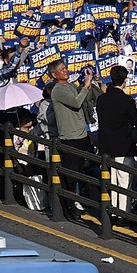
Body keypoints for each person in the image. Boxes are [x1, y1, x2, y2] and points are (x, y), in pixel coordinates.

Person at [47, 59, 98, 217]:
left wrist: (88, 84)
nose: (66, 71)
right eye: (62, 69)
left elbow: (83, 100)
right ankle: (66, 206)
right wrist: (85, 86)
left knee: (79, 172)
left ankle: (73, 202)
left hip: (82, 134)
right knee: (69, 175)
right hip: (70, 137)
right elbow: (76, 102)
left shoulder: (69, 85)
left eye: (65, 68)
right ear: (54, 74)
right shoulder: (57, 90)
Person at [95, 66, 137, 212]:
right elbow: (136, 121)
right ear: (125, 81)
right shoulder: (127, 101)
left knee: (111, 181)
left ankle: (112, 210)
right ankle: (123, 213)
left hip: (106, 146)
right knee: (124, 181)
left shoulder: (101, 99)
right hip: (124, 145)